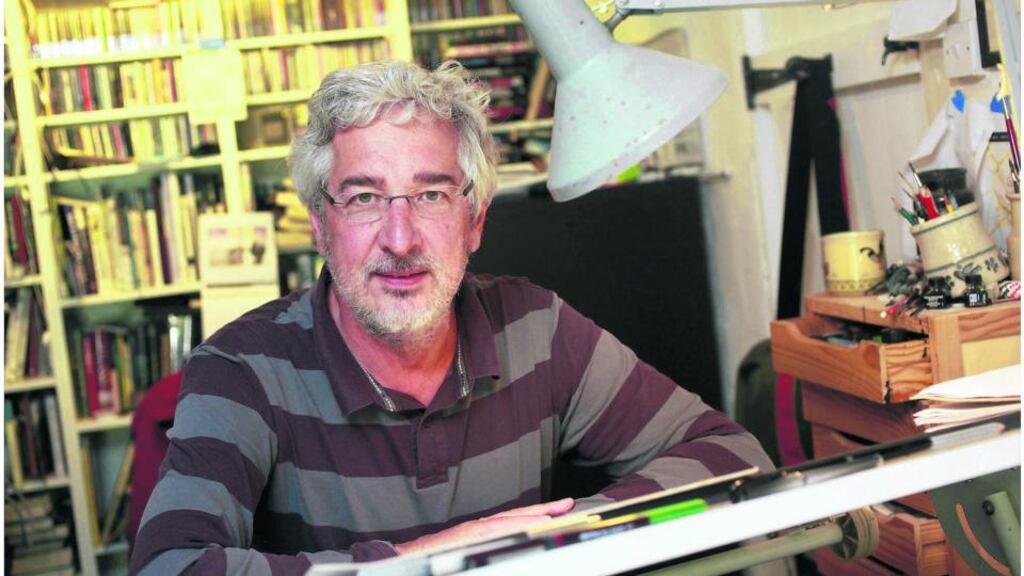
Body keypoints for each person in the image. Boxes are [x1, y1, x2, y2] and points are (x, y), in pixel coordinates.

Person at [130, 60, 773, 575]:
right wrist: (430, 561)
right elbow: (171, 565)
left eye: (432, 194)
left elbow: (731, 453)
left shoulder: (536, 327)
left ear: (475, 221)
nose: (400, 237)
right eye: (363, 198)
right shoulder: (240, 369)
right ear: (321, 228)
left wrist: (559, 539)